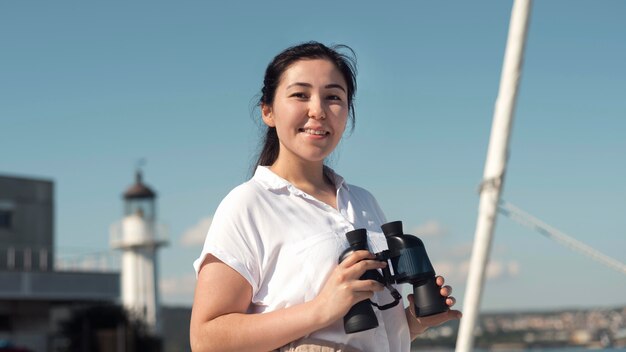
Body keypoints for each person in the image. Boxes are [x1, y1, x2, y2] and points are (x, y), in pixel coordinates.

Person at [190, 41, 462, 352]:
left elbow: (359, 337)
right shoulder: (248, 205)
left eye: (333, 97)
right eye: (299, 95)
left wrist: (414, 320)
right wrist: (322, 308)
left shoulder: (363, 201)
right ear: (268, 111)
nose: (318, 110)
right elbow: (206, 340)